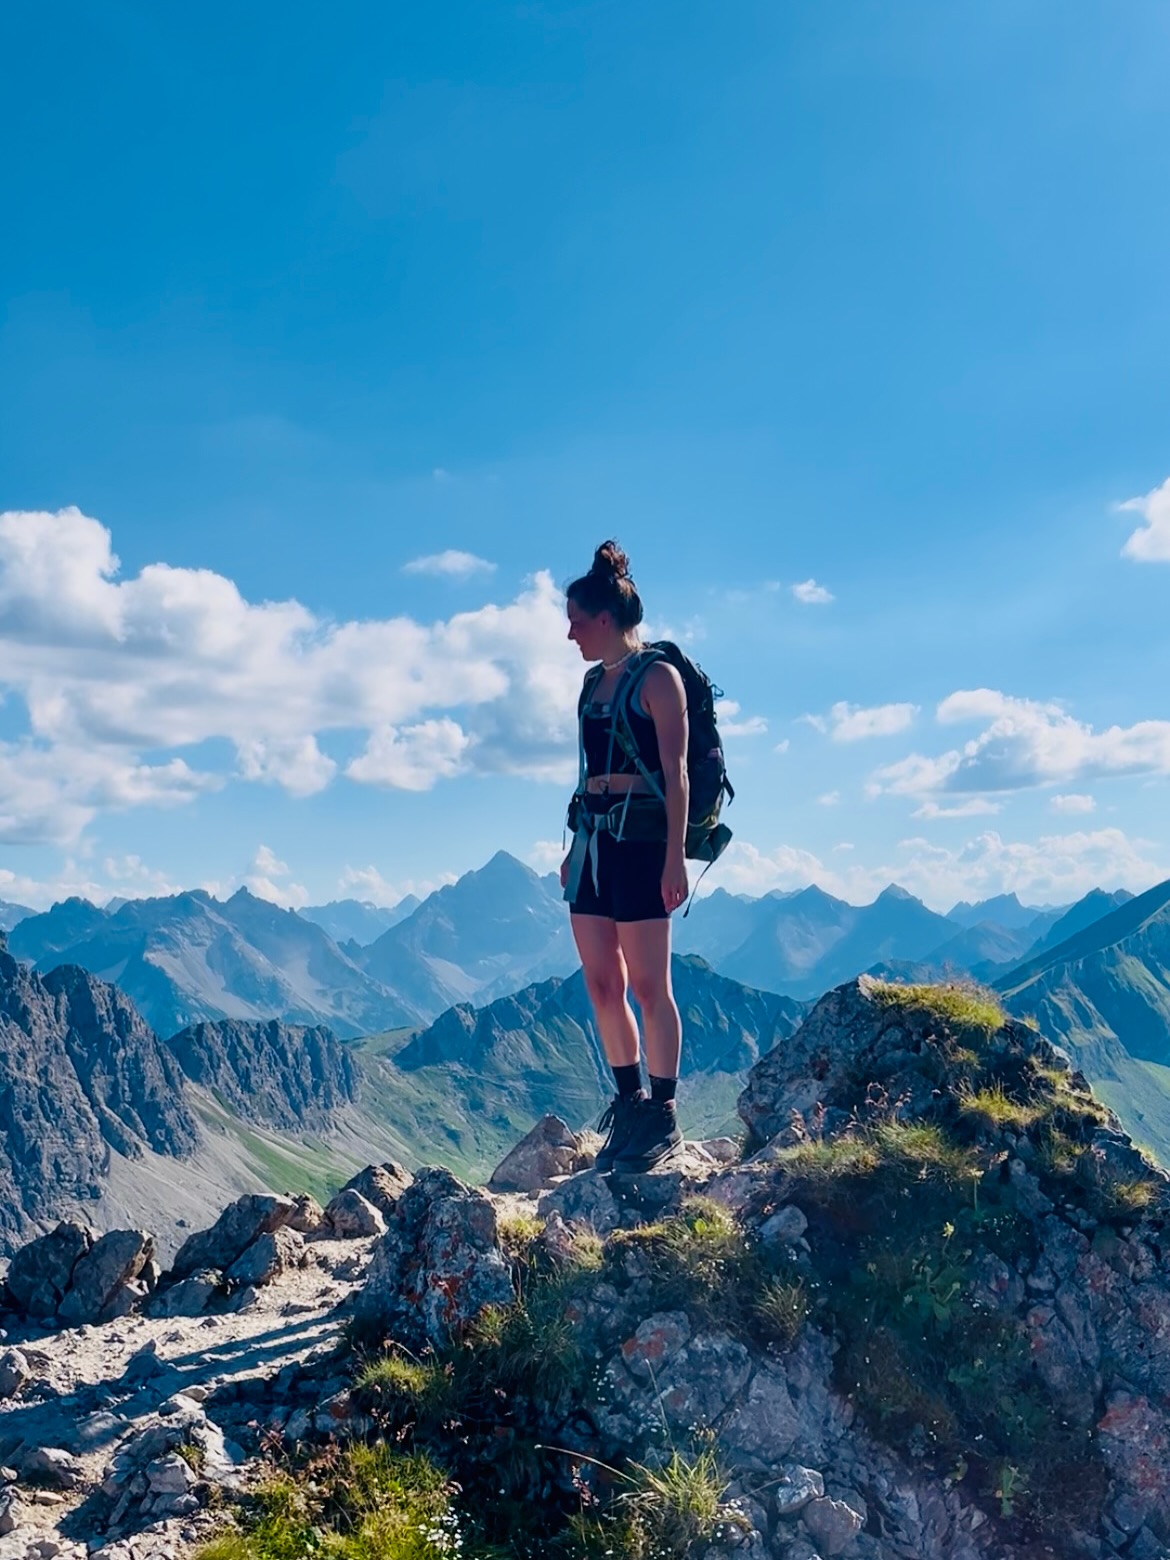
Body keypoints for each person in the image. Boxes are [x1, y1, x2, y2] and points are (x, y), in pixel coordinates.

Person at [560, 541, 688, 1173]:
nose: (570, 634)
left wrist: (674, 860)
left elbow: (678, 775)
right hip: (593, 845)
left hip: (640, 845)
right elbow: (588, 770)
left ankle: (662, 1113)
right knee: (601, 983)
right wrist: (572, 845)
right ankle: (631, 1102)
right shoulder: (591, 684)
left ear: (605, 619)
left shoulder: (658, 679)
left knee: (647, 985)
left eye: (577, 622)